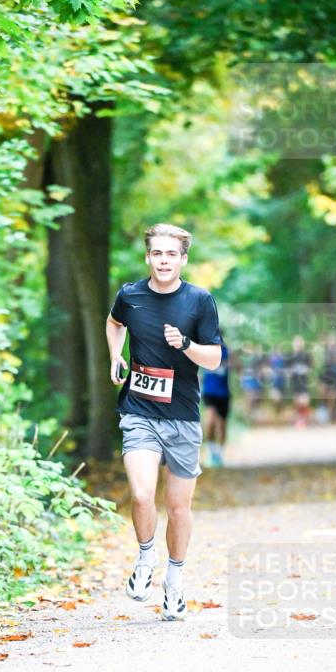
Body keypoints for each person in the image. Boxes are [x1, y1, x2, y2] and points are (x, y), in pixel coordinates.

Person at [106, 223, 222, 622]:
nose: (164, 260)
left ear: (183, 259)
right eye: (157, 253)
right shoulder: (130, 295)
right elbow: (114, 323)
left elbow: (214, 359)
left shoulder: (199, 301)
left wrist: (186, 344)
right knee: (141, 495)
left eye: (171, 254)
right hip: (139, 411)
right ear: (148, 257)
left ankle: (174, 581)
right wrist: (116, 355)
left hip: (183, 417)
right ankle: (145, 558)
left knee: (177, 507)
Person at [201, 337, 231, 467]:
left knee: (222, 425)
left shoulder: (227, 352)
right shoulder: (205, 350)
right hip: (209, 392)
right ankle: (211, 452)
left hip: (224, 393)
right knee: (210, 421)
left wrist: (230, 363)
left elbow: (238, 366)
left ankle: (220, 454)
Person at [317, 332, 336, 424]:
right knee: (323, 392)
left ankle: (334, 412)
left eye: (334, 340)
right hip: (326, 373)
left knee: (335, 395)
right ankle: (323, 409)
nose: (332, 342)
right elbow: (320, 340)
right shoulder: (326, 349)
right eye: (331, 340)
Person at [286, 335, 313, 429]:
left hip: (304, 381)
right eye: (296, 342)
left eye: (300, 342)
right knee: (296, 401)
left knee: (305, 400)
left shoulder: (306, 355)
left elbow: (310, 368)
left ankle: (304, 419)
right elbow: (287, 370)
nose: (298, 344)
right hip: (294, 381)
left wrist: (305, 369)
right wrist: (292, 370)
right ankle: (297, 419)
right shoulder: (289, 355)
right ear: (293, 343)